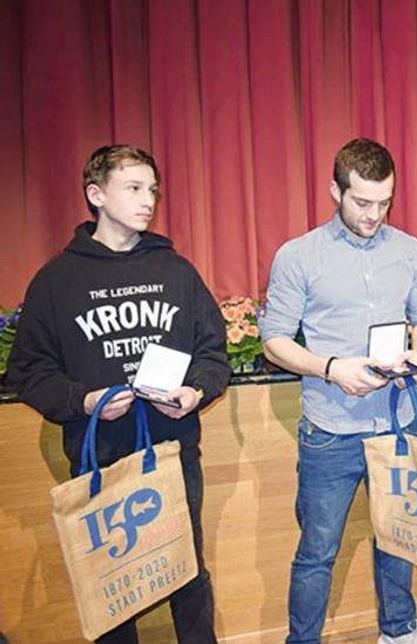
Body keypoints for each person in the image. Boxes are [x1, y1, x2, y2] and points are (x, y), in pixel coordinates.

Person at [7, 144, 231, 642]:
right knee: (114, 585)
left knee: (187, 572)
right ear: (96, 194)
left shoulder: (176, 272)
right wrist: (83, 403)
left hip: (172, 451)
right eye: (133, 188)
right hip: (99, 458)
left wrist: (195, 392)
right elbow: (27, 371)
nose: (147, 200)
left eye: (152, 189)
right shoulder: (56, 281)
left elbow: (213, 353)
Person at [259, 138, 417, 644]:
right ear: (334, 190)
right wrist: (331, 368)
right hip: (330, 432)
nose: (374, 214)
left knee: (399, 538)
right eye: (362, 202)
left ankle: (400, 632)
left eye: (384, 202)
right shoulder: (298, 256)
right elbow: (274, 340)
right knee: (317, 551)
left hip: (398, 423)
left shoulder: (409, 251)